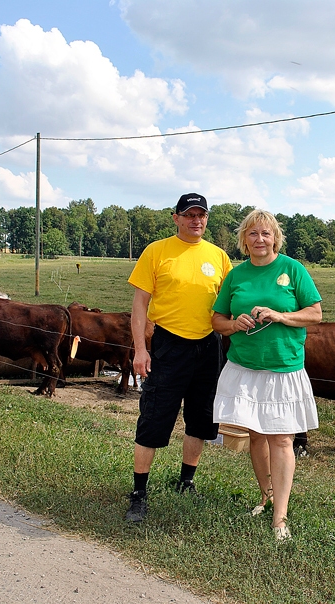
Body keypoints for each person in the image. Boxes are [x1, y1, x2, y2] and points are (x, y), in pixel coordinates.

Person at [210, 209, 322, 542]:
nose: (260, 239)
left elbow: (315, 314)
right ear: (244, 239)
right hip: (244, 367)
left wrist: (279, 314)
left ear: (276, 238)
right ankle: (266, 496)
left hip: (283, 367)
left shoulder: (292, 269)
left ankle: (280, 518)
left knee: (282, 438)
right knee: (256, 435)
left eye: (266, 234)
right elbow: (217, 320)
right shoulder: (236, 274)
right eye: (253, 234)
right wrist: (234, 324)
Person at [125, 193, 233, 523]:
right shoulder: (157, 252)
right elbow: (140, 305)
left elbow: (231, 301)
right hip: (169, 345)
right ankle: (139, 492)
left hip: (208, 345)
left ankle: (186, 481)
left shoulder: (219, 256)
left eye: (201, 215)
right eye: (189, 215)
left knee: (201, 419)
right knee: (155, 416)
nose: (195, 220)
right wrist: (141, 350)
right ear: (176, 218)